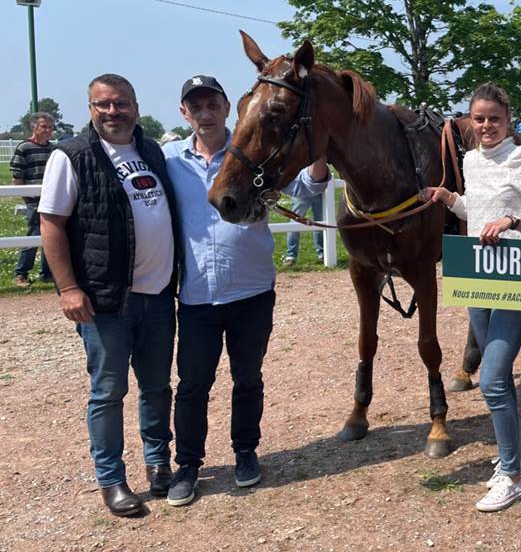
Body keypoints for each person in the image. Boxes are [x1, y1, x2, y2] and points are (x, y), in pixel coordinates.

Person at [162, 75, 329, 507]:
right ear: (185, 113)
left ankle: (245, 452)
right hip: (198, 293)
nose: (204, 112)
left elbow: (307, 191)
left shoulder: (253, 152)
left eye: (211, 103)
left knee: (247, 379)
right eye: (195, 106)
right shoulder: (170, 161)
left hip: (252, 290)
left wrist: (319, 152)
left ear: (226, 107)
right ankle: (188, 464)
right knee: (193, 385)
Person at [38, 74, 178, 517]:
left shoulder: (150, 150)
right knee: (109, 391)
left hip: (157, 295)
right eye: (103, 105)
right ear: (91, 109)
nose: (113, 112)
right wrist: (69, 287)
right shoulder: (72, 155)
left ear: (135, 105)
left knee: (157, 387)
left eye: (121, 103)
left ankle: (159, 463)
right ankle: (112, 480)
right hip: (106, 300)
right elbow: (52, 224)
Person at [423, 83, 521, 512]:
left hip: (517, 275)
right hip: (478, 275)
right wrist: (450, 199)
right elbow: (474, 211)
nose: (485, 126)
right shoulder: (471, 160)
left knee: (494, 377)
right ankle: (508, 450)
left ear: (508, 120)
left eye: (493, 118)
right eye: (478, 118)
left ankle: (512, 474)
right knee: (498, 382)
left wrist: (513, 219)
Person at [10, 111, 57, 287]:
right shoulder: (24, 148)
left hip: (51, 198)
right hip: (34, 199)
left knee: (51, 235)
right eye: (44, 127)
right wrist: (27, 197)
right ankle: (21, 273)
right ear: (34, 127)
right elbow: (17, 176)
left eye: (50, 127)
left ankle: (48, 272)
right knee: (34, 234)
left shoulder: (53, 149)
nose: (48, 130)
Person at [283, 190, 324, 267]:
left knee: (321, 223)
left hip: (319, 191)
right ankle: (291, 255)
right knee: (294, 224)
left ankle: (322, 253)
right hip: (301, 191)